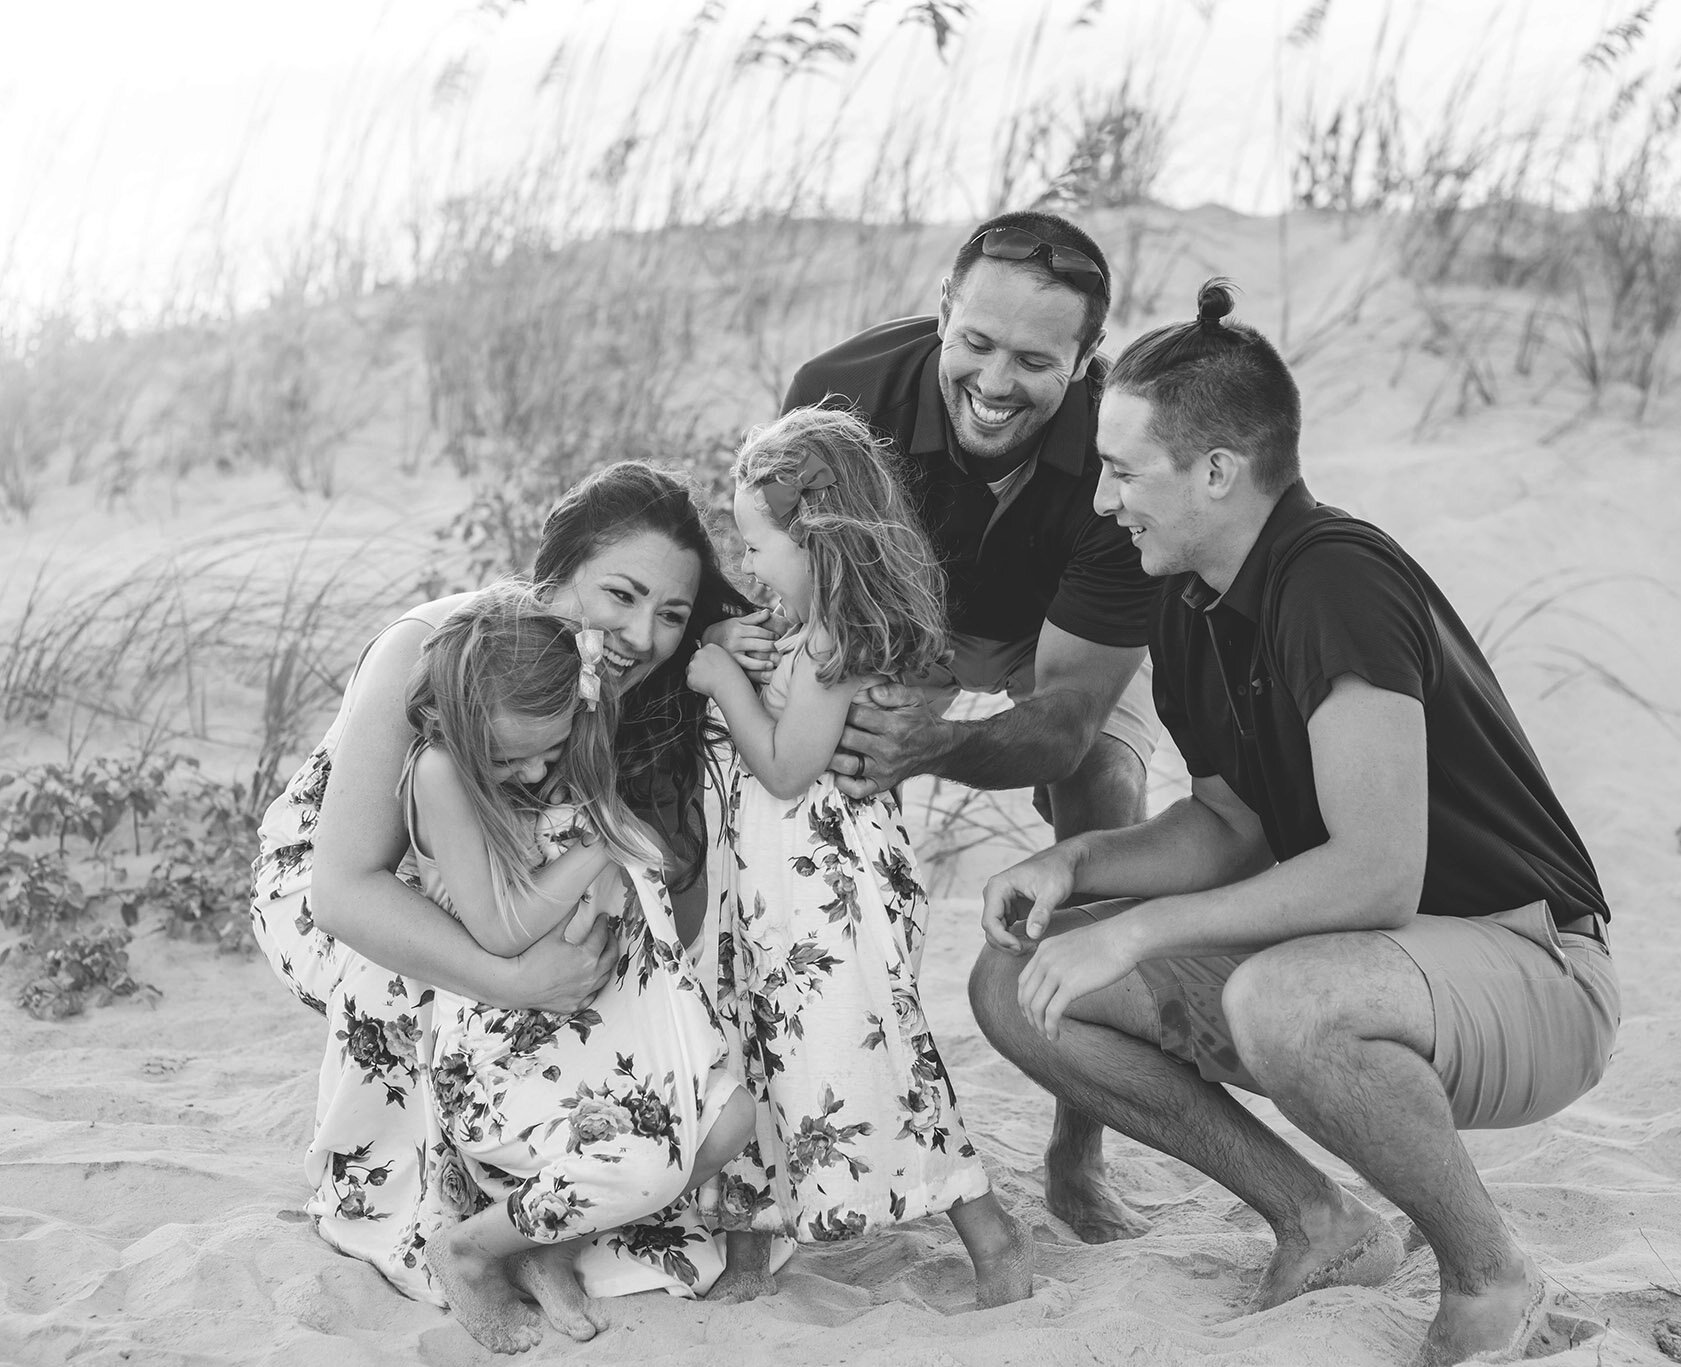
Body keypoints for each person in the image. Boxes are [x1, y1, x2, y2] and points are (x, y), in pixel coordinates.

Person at [969, 280, 1620, 1367]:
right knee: (1018, 979)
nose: (1102, 500)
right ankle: (1319, 1221)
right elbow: (1229, 818)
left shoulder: (1334, 577)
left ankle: (1488, 1275)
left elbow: (1374, 874)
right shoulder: (1183, 597)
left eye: (1124, 470)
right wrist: (1077, 860)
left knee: (1279, 997)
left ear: (1216, 470)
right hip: (1377, 961)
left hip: (1531, 961)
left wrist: (1136, 928)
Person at [250, 461, 759, 1338]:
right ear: (553, 571)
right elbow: (344, 888)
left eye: (671, 612)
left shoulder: (618, 671)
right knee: (453, 961)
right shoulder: (440, 653)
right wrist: (514, 978)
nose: (644, 633)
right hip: (341, 879)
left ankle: (558, 1195)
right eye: (622, 595)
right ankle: (452, 1202)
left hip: (501, 871)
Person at [771, 209, 1163, 1243]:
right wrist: (876, 727)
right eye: (976, 343)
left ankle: (1077, 1152)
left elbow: (1070, 718)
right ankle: (820, 1110)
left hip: (1056, 633)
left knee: (1107, 805)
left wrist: (938, 744)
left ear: (1083, 363)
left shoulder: (1122, 458)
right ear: (942, 311)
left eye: (1034, 359)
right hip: (903, 611)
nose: (995, 381)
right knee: (815, 791)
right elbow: (814, 611)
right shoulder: (836, 396)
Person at [683, 407, 1033, 1307]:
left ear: (823, 545)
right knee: (753, 1047)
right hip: (760, 895)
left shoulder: (835, 638)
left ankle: (994, 1238)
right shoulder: (798, 627)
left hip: (827, 892)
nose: (748, 565)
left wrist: (722, 680)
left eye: (759, 546)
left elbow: (789, 767)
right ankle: (751, 1255)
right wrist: (733, 647)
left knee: (869, 1049)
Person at [395, 584, 756, 1353]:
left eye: (549, 752)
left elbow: (643, 859)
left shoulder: (564, 743)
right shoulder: (440, 773)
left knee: (729, 1121)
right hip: (512, 1041)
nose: (531, 775)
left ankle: (549, 1249)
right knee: (645, 1168)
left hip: (597, 1022)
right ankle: (467, 1249)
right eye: (509, 756)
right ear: (463, 722)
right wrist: (601, 848)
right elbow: (500, 927)